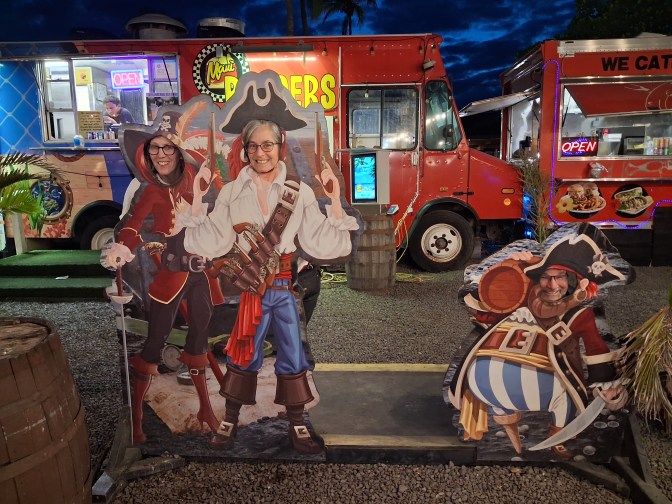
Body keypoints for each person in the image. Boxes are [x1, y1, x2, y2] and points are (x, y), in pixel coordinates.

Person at [181, 76, 359, 454]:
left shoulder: (300, 192)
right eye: (253, 146)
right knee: (244, 352)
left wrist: (335, 199)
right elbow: (211, 241)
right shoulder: (231, 192)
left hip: (283, 287)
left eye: (267, 145)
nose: (260, 153)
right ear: (245, 150)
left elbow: (323, 242)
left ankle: (298, 424)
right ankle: (229, 420)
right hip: (252, 287)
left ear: (280, 146)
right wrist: (197, 198)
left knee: (292, 353)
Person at [102, 110, 226, 447]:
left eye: (167, 147)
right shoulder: (150, 191)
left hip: (200, 274)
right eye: (154, 148)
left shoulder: (196, 182)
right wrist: (122, 247)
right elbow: (131, 226)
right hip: (171, 274)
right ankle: (138, 420)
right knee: (155, 342)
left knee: (199, 340)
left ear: (179, 152)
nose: (160, 154)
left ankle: (205, 411)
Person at [449, 233, 628, 459]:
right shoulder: (521, 296)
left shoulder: (580, 315)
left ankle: (554, 439)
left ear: (571, 279)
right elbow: (476, 300)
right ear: (535, 279)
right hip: (485, 381)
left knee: (566, 397)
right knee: (567, 396)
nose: (553, 285)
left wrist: (606, 384)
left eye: (560, 277)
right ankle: (525, 439)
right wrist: (509, 264)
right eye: (545, 277)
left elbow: (596, 348)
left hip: (506, 383)